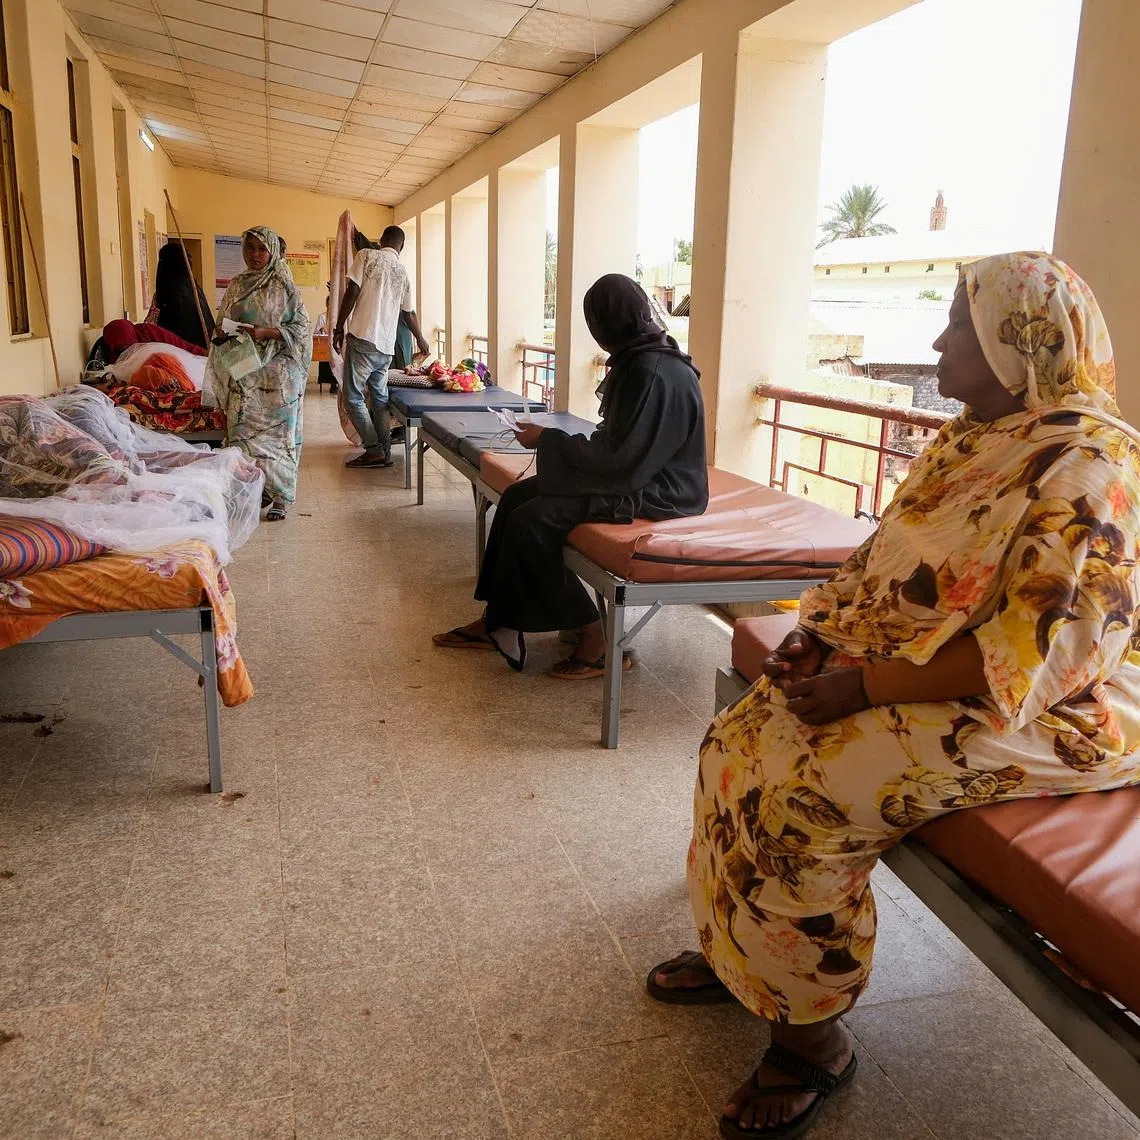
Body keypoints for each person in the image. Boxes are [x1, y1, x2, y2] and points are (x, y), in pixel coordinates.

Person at [648, 252, 1140, 1139]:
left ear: (1020, 344)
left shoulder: (1087, 468)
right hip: (920, 665)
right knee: (736, 741)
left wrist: (864, 686)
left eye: (960, 324)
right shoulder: (973, 437)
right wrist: (819, 635)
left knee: (804, 796)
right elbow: (881, 562)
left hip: (1041, 707)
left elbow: (1041, 653)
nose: (940, 342)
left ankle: (811, 1041)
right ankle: (746, 956)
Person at [433, 273, 708, 676]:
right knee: (515, 499)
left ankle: (594, 636)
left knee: (533, 521)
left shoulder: (652, 372)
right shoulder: (642, 356)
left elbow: (623, 463)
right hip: (632, 474)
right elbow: (620, 447)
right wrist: (555, 443)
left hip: (659, 490)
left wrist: (549, 439)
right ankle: (498, 621)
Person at [206, 226, 312, 522]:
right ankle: (258, 487)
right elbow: (224, 318)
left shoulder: (283, 286)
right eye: (249, 248)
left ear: (272, 251)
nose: (254, 254)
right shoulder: (237, 284)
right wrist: (221, 331)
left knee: (279, 439)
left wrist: (265, 332)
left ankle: (281, 497)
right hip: (244, 371)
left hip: (278, 377)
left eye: (261, 249)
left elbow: (301, 329)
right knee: (242, 436)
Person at [333, 225, 430, 469]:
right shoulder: (402, 272)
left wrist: (338, 326)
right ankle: (384, 451)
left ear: (381, 240)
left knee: (353, 398)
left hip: (363, 338)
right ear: (402, 246)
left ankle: (374, 449)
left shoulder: (366, 256)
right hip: (386, 347)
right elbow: (409, 313)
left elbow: (352, 290)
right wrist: (421, 338)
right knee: (379, 398)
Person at [150, 241, 214, 349]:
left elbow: (156, 326)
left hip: (180, 353)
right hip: (203, 352)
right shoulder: (194, 288)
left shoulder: (168, 292)